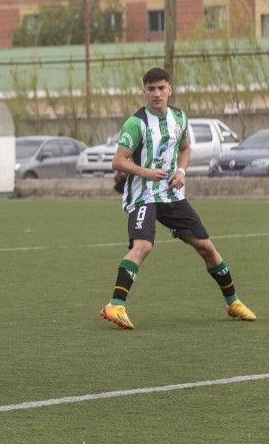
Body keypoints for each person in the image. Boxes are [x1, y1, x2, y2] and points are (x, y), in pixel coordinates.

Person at [100, 67, 256, 330]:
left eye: (161, 88)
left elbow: (185, 149)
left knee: (206, 247)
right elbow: (118, 161)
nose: (157, 94)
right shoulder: (135, 123)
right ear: (144, 92)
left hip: (171, 194)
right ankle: (115, 305)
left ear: (169, 89)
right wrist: (146, 172)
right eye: (151, 89)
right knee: (143, 246)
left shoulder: (180, 118)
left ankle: (233, 302)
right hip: (144, 195)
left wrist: (182, 170)